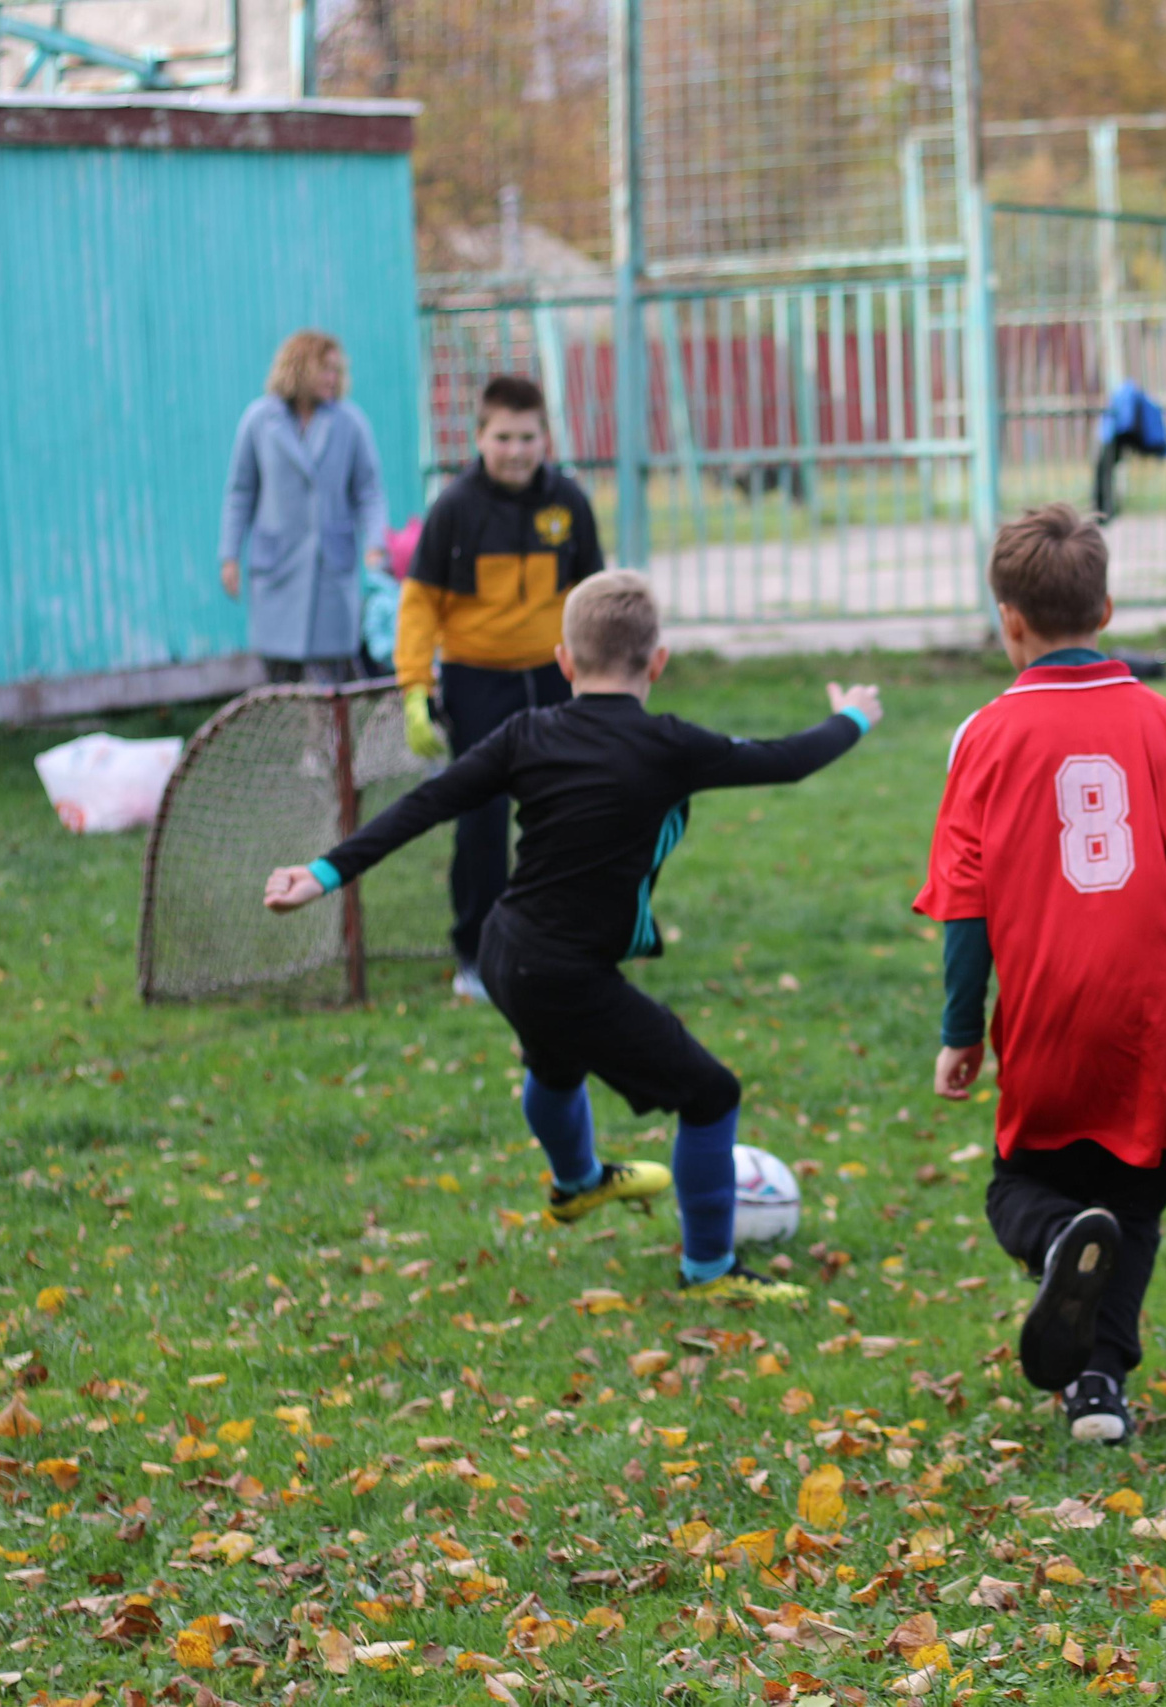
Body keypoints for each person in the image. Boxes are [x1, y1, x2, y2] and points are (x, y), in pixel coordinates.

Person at [261, 571, 881, 1305]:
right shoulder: (672, 744)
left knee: (555, 1064)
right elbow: (788, 758)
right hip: (562, 969)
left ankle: (578, 1183)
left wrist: (326, 871)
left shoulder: (527, 733)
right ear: (658, 661)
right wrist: (854, 718)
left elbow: (428, 802)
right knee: (711, 1094)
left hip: (502, 948)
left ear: (562, 661)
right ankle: (710, 1271)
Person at [915, 503, 1166, 1444]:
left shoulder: (982, 735)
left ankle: (1057, 1242)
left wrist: (959, 1030)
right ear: (1108, 604)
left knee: (1020, 1187)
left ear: (1007, 619)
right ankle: (1098, 1387)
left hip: (1056, 1001)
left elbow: (966, 907)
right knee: (1133, 1199)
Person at [397, 376, 605, 1000]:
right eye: (503, 438)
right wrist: (415, 687)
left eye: (528, 437)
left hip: (555, 676)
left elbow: (593, 595)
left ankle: (567, 938)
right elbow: (418, 604)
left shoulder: (568, 502)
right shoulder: (454, 507)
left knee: (569, 811)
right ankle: (476, 954)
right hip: (476, 682)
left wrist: (600, 674)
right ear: (479, 437)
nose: (516, 451)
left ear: (545, 437)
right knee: (483, 821)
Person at [219, 330, 388, 684]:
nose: (333, 378)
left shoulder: (350, 422)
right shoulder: (259, 421)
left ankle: (329, 740)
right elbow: (241, 493)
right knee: (279, 675)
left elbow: (368, 491)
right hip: (278, 567)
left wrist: (375, 543)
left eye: (337, 370)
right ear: (298, 368)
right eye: (324, 369)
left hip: (331, 566)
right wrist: (230, 555)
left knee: (333, 678)